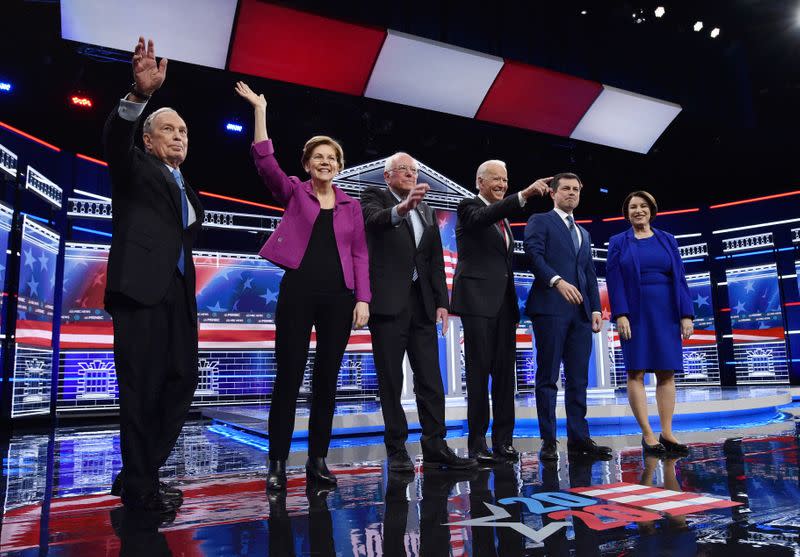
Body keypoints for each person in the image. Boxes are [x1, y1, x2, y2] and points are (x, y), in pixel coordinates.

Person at [234, 82, 371, 490]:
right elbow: (265, 163)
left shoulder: (352, 206)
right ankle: (276, 464)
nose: (325, 162)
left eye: (331, 158)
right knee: (289, 377)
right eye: (318, 157)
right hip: (298, 293)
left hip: (338, 299)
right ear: (308, 164)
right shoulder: (295, 192)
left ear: (339, 166)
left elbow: (362, 255)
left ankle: (317, 462)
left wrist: (362, 299)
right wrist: (260, 110)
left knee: (327, 380)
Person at [104, 37, 204, 514]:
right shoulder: (133, 166)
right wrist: (139, 97)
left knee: (181, 382)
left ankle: (138, 472)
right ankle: (143, 486)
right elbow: (112, 139)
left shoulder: (187, 186)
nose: (180, 136)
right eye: (169, 129)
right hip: (140, 293)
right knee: (140, 387)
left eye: (184, 130)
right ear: (148, 138)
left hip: (179, 299)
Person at [362, 153, 476, 472]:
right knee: (391, 379)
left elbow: (434, 259)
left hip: (423, 304)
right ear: (387, 176)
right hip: (387, 303)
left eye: (414, 170)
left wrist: (442, 302)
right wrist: (403, 207)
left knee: (430, 378)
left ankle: (436, 444)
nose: (411, 175)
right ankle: (396, 449)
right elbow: (375, 220)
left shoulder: (425, 208)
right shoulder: (374, 196)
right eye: (404, 170)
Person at [451, 160, 549, 464]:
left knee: (506, 377)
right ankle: (478, 444)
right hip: (478, 303)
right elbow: (484, 216)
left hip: (504, 307)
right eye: (497, 179)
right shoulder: (468, 207)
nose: (503, 185)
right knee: (478, 374)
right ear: (480, 181)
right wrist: (523, 194)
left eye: (506, 180)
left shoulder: (503, 220)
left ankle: (504, 441)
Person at [523, 173, 611, 461]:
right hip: (550, 308)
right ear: (553, 193)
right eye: (566, 189)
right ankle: (549, 441)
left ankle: (579, 438)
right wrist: (557, 281)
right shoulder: (540, 220)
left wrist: (596, 308)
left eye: (576, 189)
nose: (571, 193)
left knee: (578, 379)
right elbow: (534, 256)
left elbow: (588, 273)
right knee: (547, 377)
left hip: (581, 315)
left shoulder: (583, 233)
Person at [606, 191, 693, 455]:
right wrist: (620, 313)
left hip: (666, 311)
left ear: (652, 210)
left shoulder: (667, 239)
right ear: (627, 212)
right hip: (635, 313)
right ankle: (647, 434)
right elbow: (614, 279)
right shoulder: (618, 241)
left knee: (666, 372)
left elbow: (679, 277)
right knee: (637, 371)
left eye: (643, 206)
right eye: (633, 207)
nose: (638, 211)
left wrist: (686, 314)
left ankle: (667, 433)